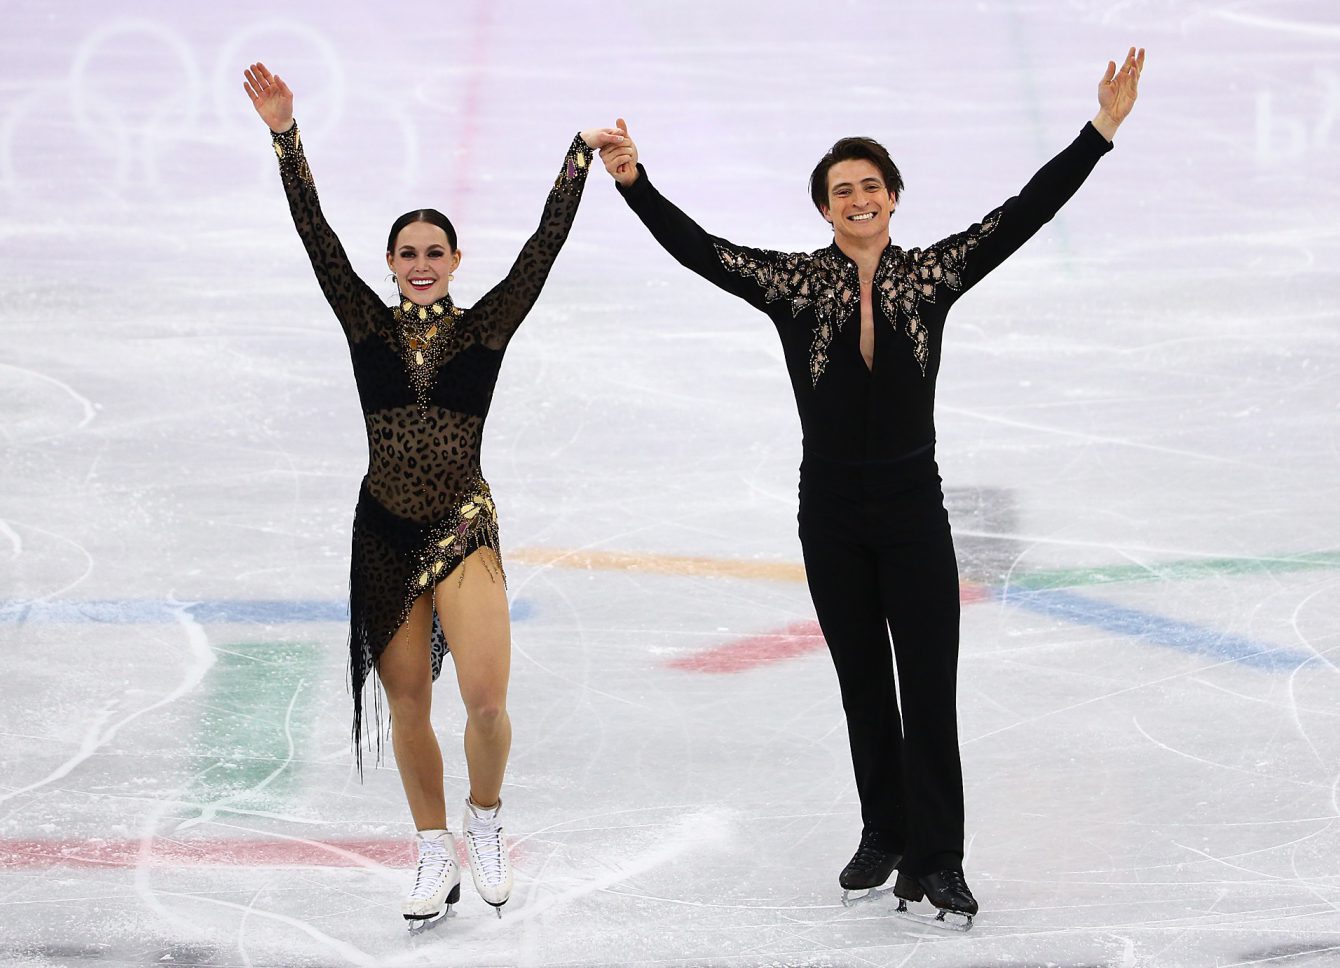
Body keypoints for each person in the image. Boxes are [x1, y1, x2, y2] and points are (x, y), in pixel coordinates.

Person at [598, 49, 1145, 926]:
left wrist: (1100, 132)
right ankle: (885, 833)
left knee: (929, 686)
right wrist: (635, 183)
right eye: (841, 191)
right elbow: (703, 252)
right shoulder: (796, 285)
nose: (858, 200)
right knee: (862, 683)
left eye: (871, 186)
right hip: (832, 516)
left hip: (912, 512)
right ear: (824, 207)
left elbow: (1022, 215)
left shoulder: (931, 276)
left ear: (893, 195)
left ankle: (942, 858)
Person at [243, 62, 622, 928]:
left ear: (455, 261)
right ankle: (429, 849)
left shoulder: (486, 329)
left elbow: (542, 249)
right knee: (408, 704)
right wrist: (285, 136)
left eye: (434, 253)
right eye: (407, 254)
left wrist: (578, 158)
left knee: (486, 702)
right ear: (391, 263)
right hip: (382, 532)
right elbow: (317, 237)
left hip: (462, 526)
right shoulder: (364, 323)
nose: (420, 265)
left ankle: (483, 820)